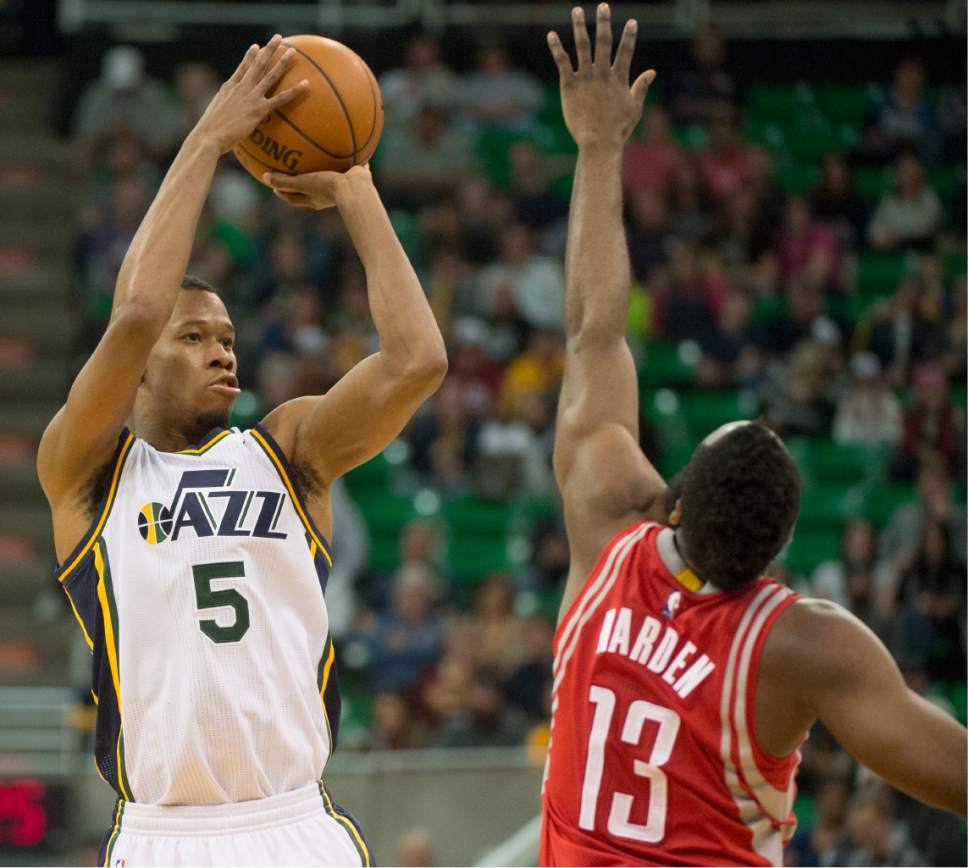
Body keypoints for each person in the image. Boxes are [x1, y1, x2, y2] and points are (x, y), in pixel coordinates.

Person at [539, 7, 966, 867]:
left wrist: (597, 147)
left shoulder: (608, 523)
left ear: (675, 498)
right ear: (779, 552)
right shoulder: (801, 643)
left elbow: (594, 330)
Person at [38, 37, 447, 867]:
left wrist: (355, 188)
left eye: (228, 338)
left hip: (297, 820)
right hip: (165, 835)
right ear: (143, 365)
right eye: (194, 337)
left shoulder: (287, 449)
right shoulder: (87, 476)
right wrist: (208, 140)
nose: (224, 352)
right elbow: (137, 311)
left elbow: (418, 362)